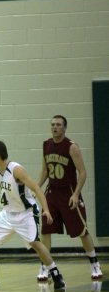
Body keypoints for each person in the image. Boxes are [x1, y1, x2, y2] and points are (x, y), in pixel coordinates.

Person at [0, 140, 66, 291]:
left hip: (26, 214)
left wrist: (46, 210)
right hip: (7, 213)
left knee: (36, 244)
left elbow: (36, 188)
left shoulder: (16, 169)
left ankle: (56, 275)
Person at [37, 115, 103, 282]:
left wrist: (75, 194)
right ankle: (45, 266)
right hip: (52, 193)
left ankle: (94, 263)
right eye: (52, 124)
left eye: (58, 125)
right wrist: (37, 186)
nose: (55, 127)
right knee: (46, 229)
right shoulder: (46, 145)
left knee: (81, 230)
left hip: (69, 193)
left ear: (65, 128)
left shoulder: (71, 147)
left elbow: (83, 173)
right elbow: (45, 170)